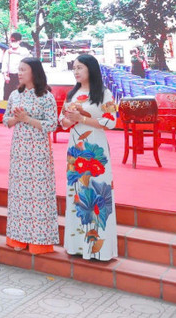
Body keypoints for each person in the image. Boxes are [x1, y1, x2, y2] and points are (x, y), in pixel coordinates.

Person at [60, 54, 118, 261]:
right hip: (75, 149)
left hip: (96, 149)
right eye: (74, 68)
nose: (76, 72)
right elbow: (63, 122)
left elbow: (111, 122)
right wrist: (69, 119)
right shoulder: (71, 94)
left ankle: (99, 249)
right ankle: (77, 245)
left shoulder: (104, 93)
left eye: (80, 68)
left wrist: (82, 117)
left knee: (97, 194)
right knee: (78, 193)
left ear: (91, 70)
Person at [2, 58, 58, 254]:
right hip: (19, 150)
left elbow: (52, 124)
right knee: (20, 194)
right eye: (18, 69)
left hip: (38, 151)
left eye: (23, 69)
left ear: (34, 72)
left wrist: (28, 119)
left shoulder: (46, 97)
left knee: (38, 195)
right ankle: (17, 238)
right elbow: (5, 121)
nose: (19, 73)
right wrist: (15, 119)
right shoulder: (14, 95)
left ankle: (39, 241)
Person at [2, 33, 31, 100]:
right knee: (7, 97)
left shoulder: (24, 50)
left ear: (19, 41)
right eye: (11, 41)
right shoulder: (7, 51)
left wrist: (13, 52)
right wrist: (5, 76)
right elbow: (4, 64)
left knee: (20, 96)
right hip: (10, 77)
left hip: (20, 77)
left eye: (15, 41)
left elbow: (26, 54)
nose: (13, 42)